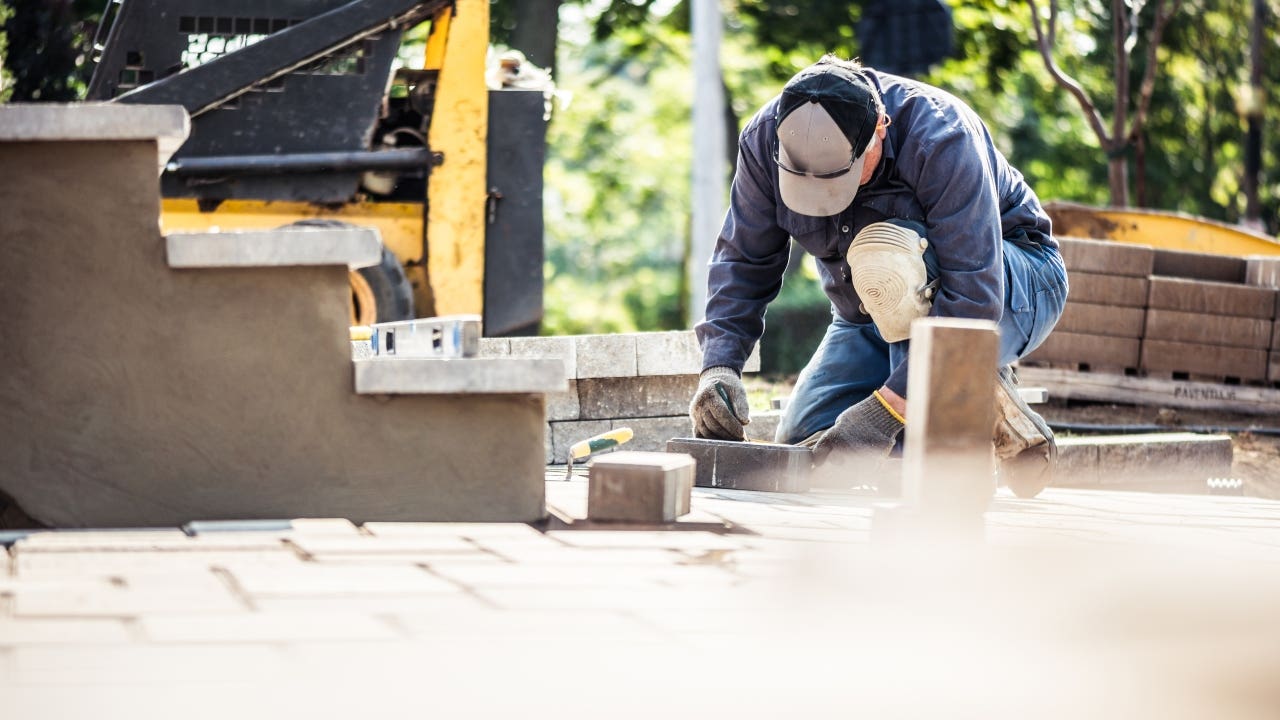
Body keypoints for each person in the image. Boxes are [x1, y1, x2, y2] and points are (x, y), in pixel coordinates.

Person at [689, 55, 1068, 490]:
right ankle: (974, 397)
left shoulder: (941, 137)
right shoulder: (763, 140)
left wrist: (885, 411)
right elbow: (743, 260)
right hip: (869, 312)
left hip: (1011, 289)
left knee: (903, 453)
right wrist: (720, 367)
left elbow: (974, 299)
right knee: (810, 450)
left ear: (880, 129)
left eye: (840, 178)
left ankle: (970, 404)